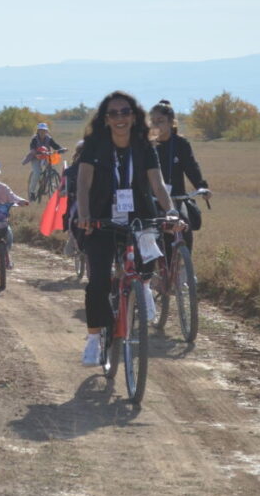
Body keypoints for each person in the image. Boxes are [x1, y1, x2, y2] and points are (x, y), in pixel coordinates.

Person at [75, 91, 183, 366]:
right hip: (100, 218)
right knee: (98, 283)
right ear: (106, 119)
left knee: (149, 251)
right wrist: (85, 215)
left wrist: (170, 212)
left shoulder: (144, 147)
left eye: (125, 112)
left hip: (138, 216)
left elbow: (157, 185)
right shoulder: (94, 145)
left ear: (134, 116)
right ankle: (94, 338)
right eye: (114, 113)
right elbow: (83, 184)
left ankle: (144, 285)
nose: (120, 118)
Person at [150, 99, 211, 253]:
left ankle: (185, 267)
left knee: (185, 226)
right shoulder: (147, 145)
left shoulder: (180, 144)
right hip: (152, 200)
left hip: (177, 198)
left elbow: (191, 167)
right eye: (153, 121)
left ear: (171, 123)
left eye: (161, 121)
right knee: (148, 233)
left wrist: (201, 186)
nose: (156, 125)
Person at [23, 122, 64, 198]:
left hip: (46, 156)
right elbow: (32, 148)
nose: (43, 132)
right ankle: (32, 192)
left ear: (47, 131)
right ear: (38, 131)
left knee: (51, 169)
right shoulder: (34, 139)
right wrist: (36, 153)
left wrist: (61, 149)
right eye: (41, 130)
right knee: (37, 172)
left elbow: (55, 146)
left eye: (44, 130)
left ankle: (49, 183)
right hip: (36, 157)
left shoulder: (49, 138)